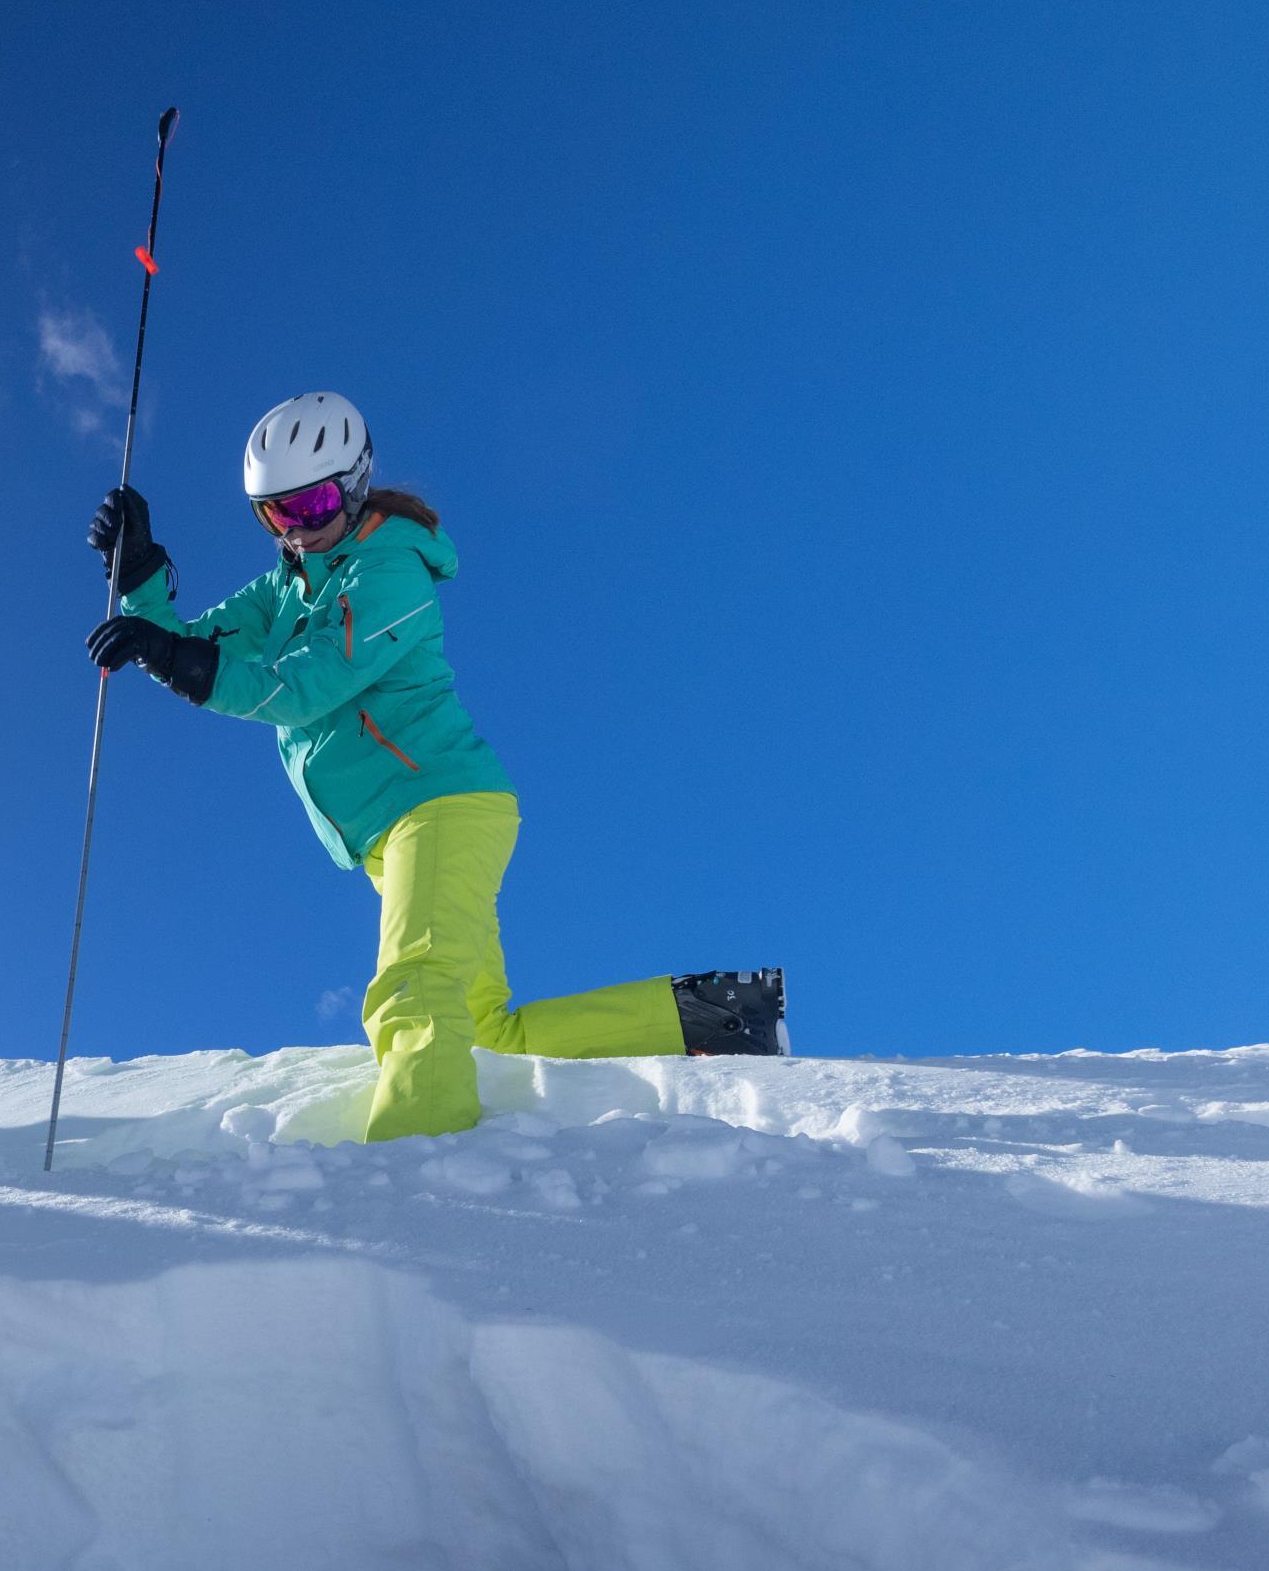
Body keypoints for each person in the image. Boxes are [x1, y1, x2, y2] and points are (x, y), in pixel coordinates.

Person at [86, 393, 788, 1142]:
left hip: (443, 804)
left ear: (353, 485)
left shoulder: (391, 571)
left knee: (414, 991)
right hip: (390, 833)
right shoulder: (282, 590)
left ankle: (414, 1170)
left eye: (316, 502)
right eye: (277, 514)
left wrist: (175, 657)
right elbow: (183, 643)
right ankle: (714, 1018)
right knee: (487, 1033)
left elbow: (300, 687)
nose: (301, 527)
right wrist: (140, 578)